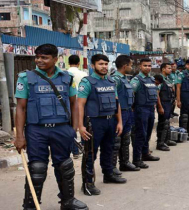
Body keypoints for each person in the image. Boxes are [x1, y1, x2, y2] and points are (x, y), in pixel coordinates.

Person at [14, 44, 88, 209]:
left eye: (44, 57)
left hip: (61, 129)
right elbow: (21, 107)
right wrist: (19, 136)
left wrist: (73, 129)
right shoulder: (26, 78)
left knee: (64, 166)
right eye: (37, 57)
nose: (39, 60)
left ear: (55, 59)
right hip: (36, 130)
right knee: (37, 168)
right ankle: (31, 204)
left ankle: (67, 201)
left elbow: (74, 103)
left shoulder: (67, 78)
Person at [78, 54, 126, 196]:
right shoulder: (87, 82)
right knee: (90, 153)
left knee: (109, 149)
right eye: (100, 64)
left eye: (106, 64)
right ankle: (87, 183)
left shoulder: (111, 82)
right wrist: (80, 126)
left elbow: (116, 103)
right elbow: (80, 105)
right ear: (93, 66)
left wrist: (120, 122)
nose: (104, 66)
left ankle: (108, 174)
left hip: (110, 121)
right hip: (94, 122)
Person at [111, 55, 140, 176]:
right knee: (116, 140)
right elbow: (114, 98)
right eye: (131, 65)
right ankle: (112, 167)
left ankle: (125, 162)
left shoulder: (124, 78)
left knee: (126, 139)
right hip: (119, 112)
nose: (132, 67)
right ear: (125, 66)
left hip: (128, 111)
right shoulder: (115, 79)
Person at [130, 58, 160, 169]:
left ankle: (145, 153)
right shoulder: (136, 80)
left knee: (147, 133)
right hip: (140, 109)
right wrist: (133, 108)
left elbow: (155, 94)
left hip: (150, 109)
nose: (147, 67)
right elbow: (131, 94)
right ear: (140, 67)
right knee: (140, 134)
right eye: (145, 66)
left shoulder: (151, 79)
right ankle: (137, 159)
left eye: (149, 65)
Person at [67, 54, 87, 159]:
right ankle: (83, 146)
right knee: (83, 125)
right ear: (79, 63)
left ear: (68, 63)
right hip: (82, 103)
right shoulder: (83, 74)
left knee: (72, 126)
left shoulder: (65, 74)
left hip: (70, 103)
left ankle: (75, 151)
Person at [156, 63, 177, 151]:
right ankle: (160, 143)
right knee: (162, 123)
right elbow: (157, 94)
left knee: (167, 123)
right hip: (163, 103)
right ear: (163, 69)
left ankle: (166, 140)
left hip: (169, 103)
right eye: (168, 68)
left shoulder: (168, 79)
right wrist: (160, 106)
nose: (171, 69)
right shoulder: (160, 80)